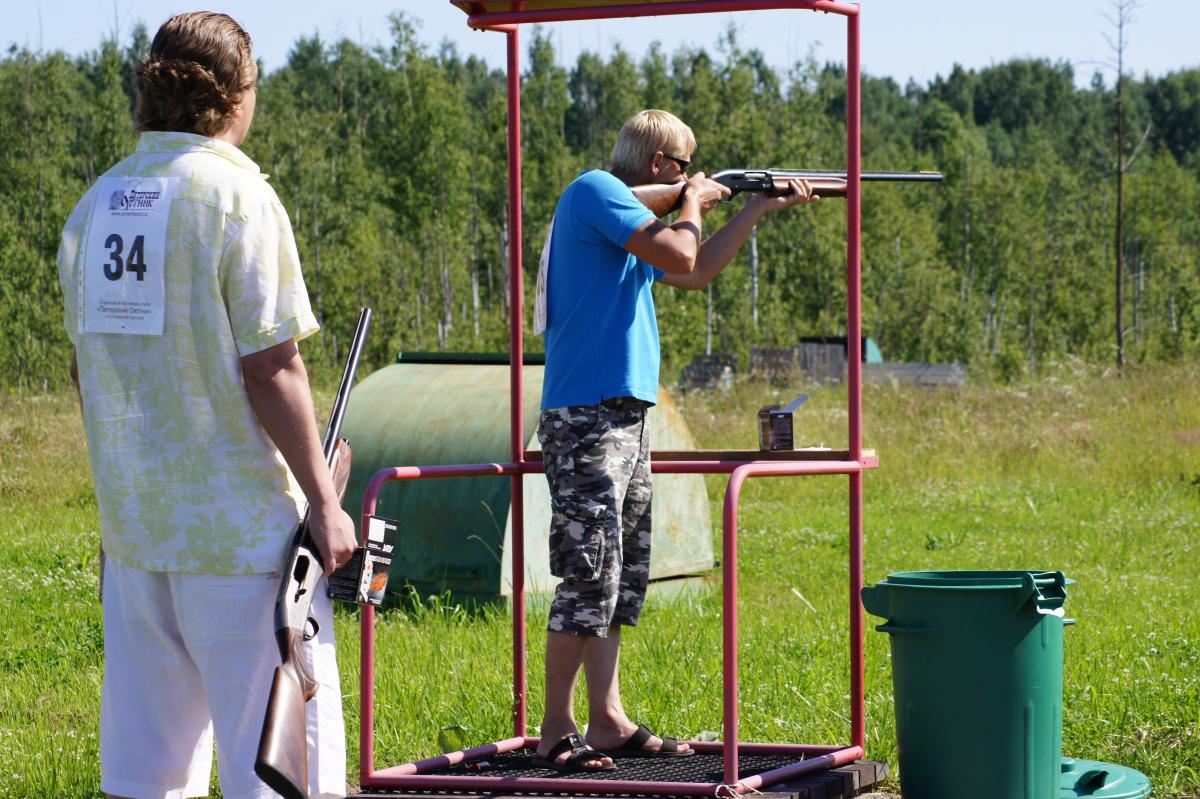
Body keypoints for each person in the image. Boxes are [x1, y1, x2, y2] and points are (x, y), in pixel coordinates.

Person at [56, 12, 357, 799]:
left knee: (148, 779)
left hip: (136, 542)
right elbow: (271, 366)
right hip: (243, 546)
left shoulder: (96, 206)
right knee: (281, 776)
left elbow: (90, 373)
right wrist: (325, 501)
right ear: (236, 95)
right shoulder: (236, 196)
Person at [532, 109, 818, 771]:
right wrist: (694, 201)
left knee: (620, 575)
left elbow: (694, 270)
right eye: (685, 165)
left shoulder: (631, 222)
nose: (692, 175)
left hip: (624, 416)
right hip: (587, 416)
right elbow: (684, 251)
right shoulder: (595, 190)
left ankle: (607, 718)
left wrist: (754, 209)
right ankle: (555, 726)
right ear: (660, 164)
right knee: (588, 572)